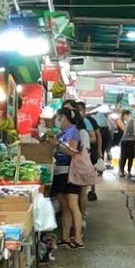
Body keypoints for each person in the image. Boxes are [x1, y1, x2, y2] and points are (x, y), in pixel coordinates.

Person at [50, 106, 86, 249]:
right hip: (60, 172)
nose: (58, 121)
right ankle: (65, 237)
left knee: (72, 206)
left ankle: (78, 238)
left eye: (60, 118)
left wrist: (57, 145)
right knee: (65, 207)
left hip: (70, 173)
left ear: (67, 118)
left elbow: (72, 152)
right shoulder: (62, 132)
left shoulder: (73, 132)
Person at [118, 108, 135, 178]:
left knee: (123, 156)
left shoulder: (129, 120)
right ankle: (129, 172)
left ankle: (121, 172)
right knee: (130, 157)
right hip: (131, 141)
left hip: (123, 140)